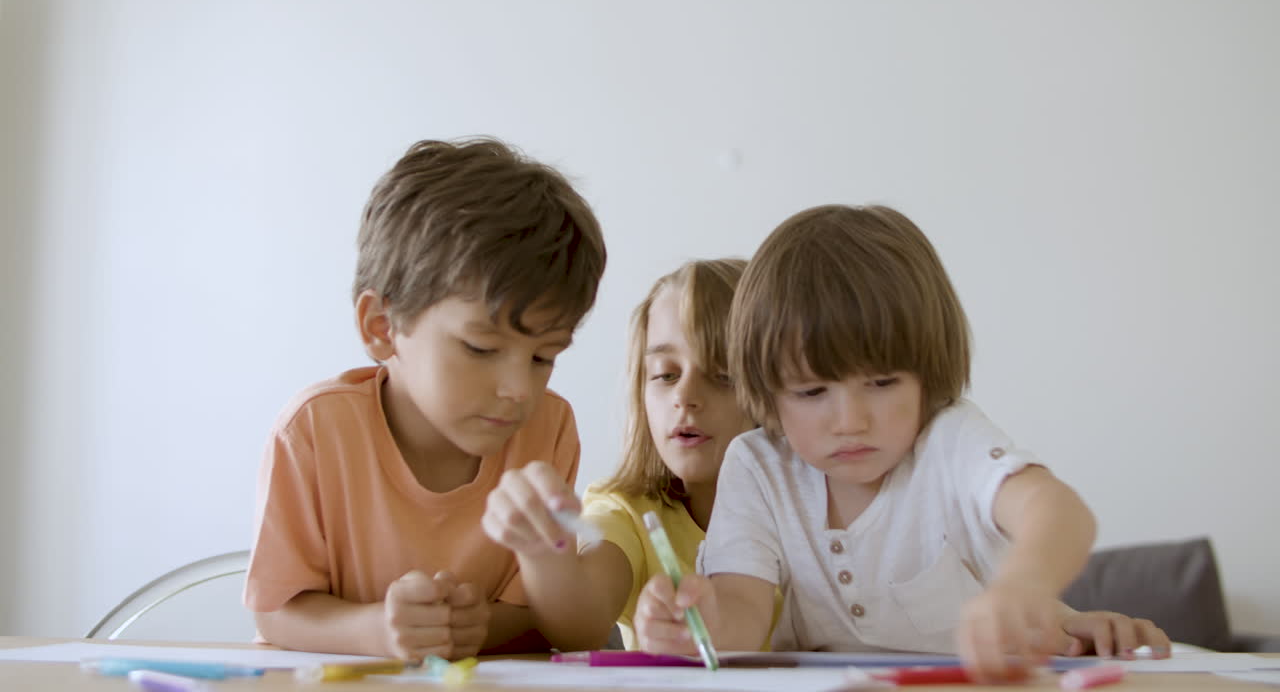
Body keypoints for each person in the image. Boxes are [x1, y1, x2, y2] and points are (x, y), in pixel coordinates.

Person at [633, 204, 1171, 682]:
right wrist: (698, 622)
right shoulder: (756, 466)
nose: (850, 421)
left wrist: (1025, 589)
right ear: (767, 392)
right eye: (812, 390)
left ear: (926, 376)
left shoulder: (947, 440)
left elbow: (1059, 512)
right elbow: (743, 614)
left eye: (883, 383)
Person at [243, 137, 607, 660]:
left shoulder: (548, 429)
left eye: (543, 357)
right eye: (481, 347)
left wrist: (476, 627)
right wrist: (378, 631)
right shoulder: (315, 432)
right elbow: (274, 611)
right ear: (381, 327)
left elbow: (551, 625)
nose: (519, 390)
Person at [481, 258, 757, 651]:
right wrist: (544, 553)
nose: (684, 397)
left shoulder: (810, 510)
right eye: (665, 374)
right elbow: (582, 624)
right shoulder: (626, 511)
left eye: (724, 375)